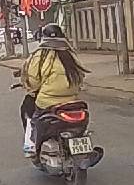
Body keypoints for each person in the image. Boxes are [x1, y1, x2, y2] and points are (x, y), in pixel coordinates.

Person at [18, 24, 89, 156]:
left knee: (29, 112)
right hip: (73, 101)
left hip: (48, 102)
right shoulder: (71, 54)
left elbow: (33, 81)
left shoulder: (40, 56)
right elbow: (80, 77)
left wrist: (30, 87)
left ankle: (31, 146)